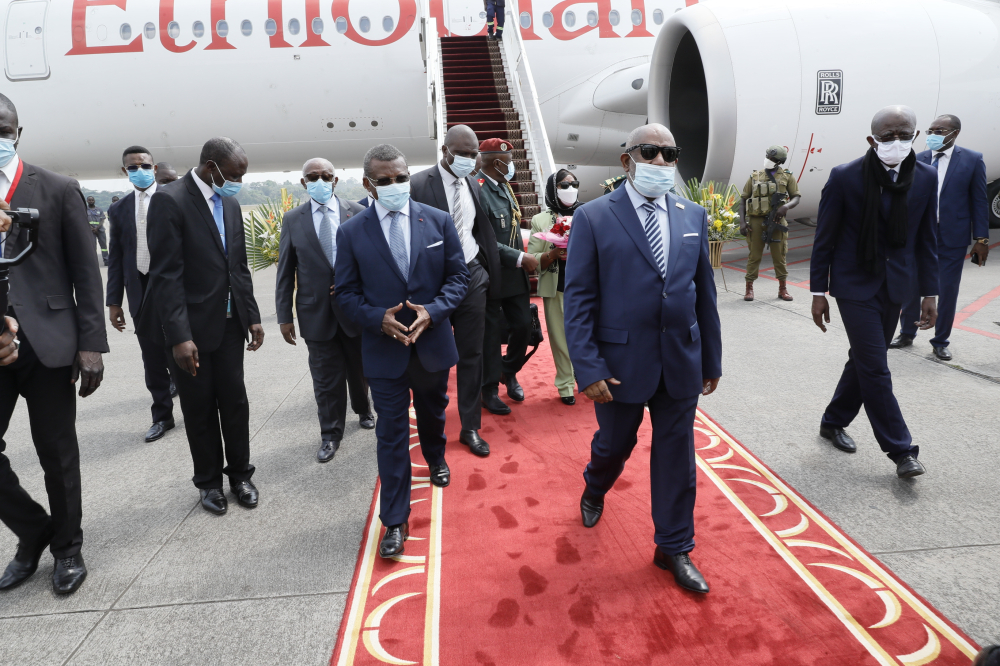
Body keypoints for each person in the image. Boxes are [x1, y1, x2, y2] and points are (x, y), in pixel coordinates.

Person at [564, 123, 722, 595]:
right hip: (618, 365)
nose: (659, 163)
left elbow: (704, 296)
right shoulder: (594, 217)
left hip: (680, 360)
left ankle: (673, 547)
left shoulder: (692, 214)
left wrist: (710, 360)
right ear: (626, 159)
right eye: (649, 152)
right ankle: (595, 487)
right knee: (615, 445)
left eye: (669, 154)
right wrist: (588, 367)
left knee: (677, 457)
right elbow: (579, 301)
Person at [336, 144, 469, 558]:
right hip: (384, 351)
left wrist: (434, 311)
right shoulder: (352, 232)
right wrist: (378, 319)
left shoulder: (438, 221)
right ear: (368, 184)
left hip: (431, 345)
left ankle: (435, 456)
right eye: (385, 180)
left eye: (401, 178)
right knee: (390, 434)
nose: (396, 186)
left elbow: (458, 278)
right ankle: (394, 520)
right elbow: (344, 294)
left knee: (432, 412)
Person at [0, 92, 109, 595]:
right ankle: (33, 529)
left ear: (17, 134)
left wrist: (91, 344)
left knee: (56, 452)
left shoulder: (59, 188)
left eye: (3, 131)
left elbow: (86, 275)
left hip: (49, 343)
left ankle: (67, 547)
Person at [810, 105, 938, 479]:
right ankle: (901, 450)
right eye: (887, 136)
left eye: (903, 135)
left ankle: (833, 421)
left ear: (915, 136)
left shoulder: (926, 178)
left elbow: (926, 239)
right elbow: (824, 240)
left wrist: (930, 292)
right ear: (872, 139)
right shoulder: (846, 176)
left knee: (865, 360)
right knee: (875, 366)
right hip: (853, 284)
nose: (896, 142)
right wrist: (818, 291)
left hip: (896, 285)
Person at [141, 137, 264, 515]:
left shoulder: (228, 201)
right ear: (211, 167)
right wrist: (179, 336)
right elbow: (165, 275)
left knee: (235, 402)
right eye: (234, 174)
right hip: (190, 331)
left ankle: (241, 474)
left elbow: (237, 266)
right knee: (199, 408)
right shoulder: (170, 200)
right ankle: (208, 483)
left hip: (230, 326)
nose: (238, 181)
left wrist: (253, 315)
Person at [409, 125, 502, 457]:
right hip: (433, 283)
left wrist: (487, 271)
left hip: (472, 273)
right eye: (461, 153)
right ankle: (431, 425)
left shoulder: (472, 183)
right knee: (433, 357)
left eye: (473, 153)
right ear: (445, 151)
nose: (468, 159)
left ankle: (470, 427)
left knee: (471, 354)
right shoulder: (418, 184)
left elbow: (478, 229)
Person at [276, 158, 374, 464]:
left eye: (326, 176)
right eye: (313, 177)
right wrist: (284, 316)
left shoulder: (357, 213)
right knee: (325, 377)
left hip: (354, 310)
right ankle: (330, 434)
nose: (321, 181)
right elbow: (285, 270)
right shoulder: (293, 219)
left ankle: (363, 408)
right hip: (314, 312)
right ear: (304, 183)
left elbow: (371, 264)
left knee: (359, 369)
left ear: (335, 179)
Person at [892, 114, 989, 360]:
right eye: (931, 130)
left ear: (955, 133)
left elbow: (979, 201)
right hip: (919, 234)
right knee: (911, 285)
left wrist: (982, 239)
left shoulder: (972, 160)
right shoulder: (919, 159)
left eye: (940, 130)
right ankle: (906, 333)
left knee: (946, 289)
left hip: (951, 236)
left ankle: (940, 340)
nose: (933, 135)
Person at [107, 146, 175, 443]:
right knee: (151, 357)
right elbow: (117, 259)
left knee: (181, 350)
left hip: (173, 289)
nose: (140, 171)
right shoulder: (119, 210)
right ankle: (162, 416)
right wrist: (113, 301)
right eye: (133, 167)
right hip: (139, 290)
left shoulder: (174, 200)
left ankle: (198, 407)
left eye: (145, 165)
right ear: (125, 171)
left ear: (154, 168)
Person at [476, 138, 539, 414]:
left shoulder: (503, 186)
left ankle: (508, 370)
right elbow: (483, 238)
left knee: (524, 325)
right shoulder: (476, 190)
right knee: (489, 336)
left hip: (512, 275)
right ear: (497, 162)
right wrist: (520, 257)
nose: (512, 165)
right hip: (490, 274)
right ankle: (488, 389)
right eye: (510, 161)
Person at [526, 169, 580, 404]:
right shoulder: (540, 220)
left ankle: (587, 374)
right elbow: (534, 260)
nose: (570, 189)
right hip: (556, 286)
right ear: (552, 189)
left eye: (574, 184)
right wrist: (554, 253)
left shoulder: (588, 213)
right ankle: (566, 384)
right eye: (564, 185)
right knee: (560, 338)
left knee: (590, 334)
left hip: (586, 287)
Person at [738, 145, 801, 302]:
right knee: (754, 255)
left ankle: (783, 288)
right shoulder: (755, 176)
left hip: (777, 220)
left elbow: (796, 197)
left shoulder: (787, 177)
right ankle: (749, 288)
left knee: (779, 255)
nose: (768, 160)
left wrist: (785, 207)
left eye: (772, 159)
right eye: (768, 156)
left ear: (779, 162)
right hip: (756, 221)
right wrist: (742, 222)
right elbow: (743, 199)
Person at [86, 195, 109, 266]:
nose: (91, 201)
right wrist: (92, 228)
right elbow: (84, 219)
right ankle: (94, 261)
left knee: (104, 246)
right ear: (87, 201)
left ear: (94, 201)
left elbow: (102, 219)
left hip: (100, 230)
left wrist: (97, 228)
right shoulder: (84, 210)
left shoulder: (99, 210)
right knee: (92, 246)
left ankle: (106, 260)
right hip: (90, 231)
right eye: (89, 200)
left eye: (92, 200)